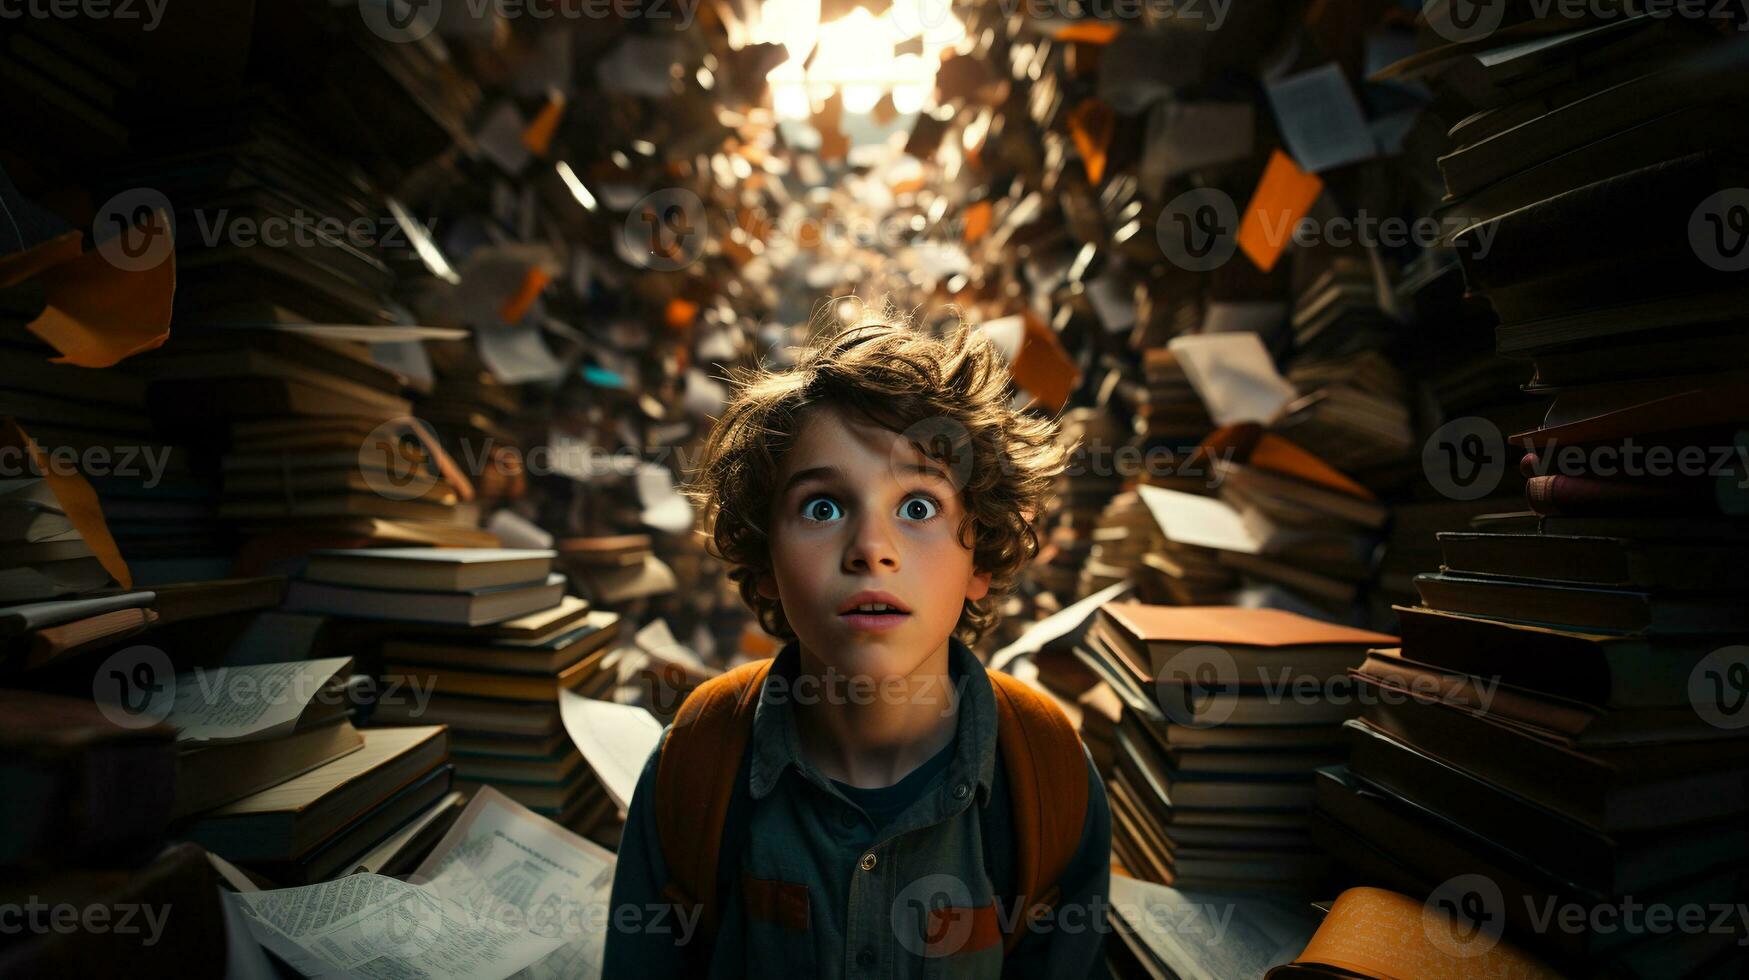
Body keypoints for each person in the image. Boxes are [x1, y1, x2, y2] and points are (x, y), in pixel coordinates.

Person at [604, 307, 1111, 978]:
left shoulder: (1049, 777)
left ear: (979, 560)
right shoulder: (694, 766)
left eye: (918, 507)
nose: (872, 551)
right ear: (764, 560)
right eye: (822, 507)